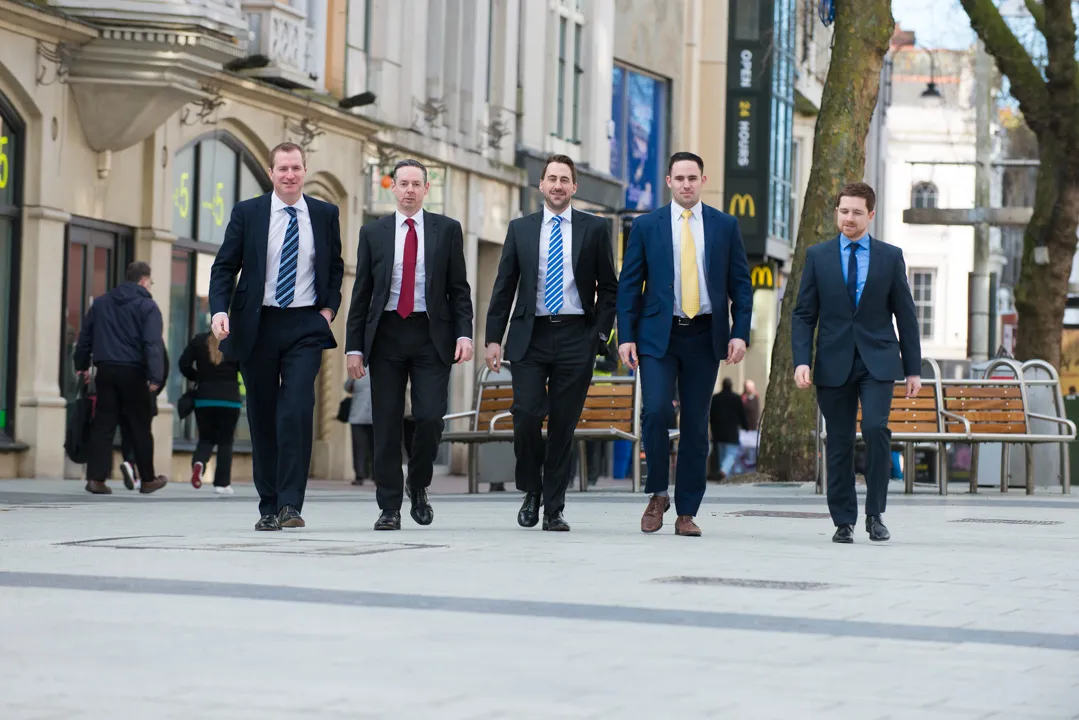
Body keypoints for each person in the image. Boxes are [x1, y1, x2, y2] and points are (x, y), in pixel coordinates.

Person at [209, 141, 344, 531]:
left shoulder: (324, 214)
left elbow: (334, 266)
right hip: (258, 325)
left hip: (305, 325)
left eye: (296, 168)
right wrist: (220, 310)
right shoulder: (248, 213)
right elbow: (223, 268)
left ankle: (290, 505)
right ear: (271, 173)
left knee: (297, 411)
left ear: (305, 172)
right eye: (282, 168)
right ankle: (268, 506)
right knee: (263, 416)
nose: (289, 175)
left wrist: (328, 310)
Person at [616, 151, 753, 537]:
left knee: (695, 424)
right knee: (656, 412)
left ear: (702, 180)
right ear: (669, 182)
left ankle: (687, 512)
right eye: (679, 178)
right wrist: (626, 336)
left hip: (705, 336)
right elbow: (629, 285)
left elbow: (742, 285)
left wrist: (740, 330)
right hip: (659, 335)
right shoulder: (647, 226)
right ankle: (658, 494)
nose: (686, 184)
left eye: (693, 178)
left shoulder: (725, 226)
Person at [484, 154, 618, 531]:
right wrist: (493, 338)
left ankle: (553, 508)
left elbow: (610, 287)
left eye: (565, 179)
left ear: (574, 187)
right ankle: (531, 489)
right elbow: (504, 285)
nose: (558, 185)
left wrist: (599, 335)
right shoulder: (520, 229)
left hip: (577, 335)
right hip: (530, 335)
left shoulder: (595, 229)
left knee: (563, 425)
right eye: (551, 179)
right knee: (526, 414)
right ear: (541, 185)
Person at [345, 159, 474, 531]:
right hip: (386, 335)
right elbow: (362, 292)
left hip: (431, 336)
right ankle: (389, 506)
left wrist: (464, 334)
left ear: (427, 189)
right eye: (403, 183)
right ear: (393, 188)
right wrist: (355, 346)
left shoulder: (447, 230)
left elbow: (459, 290)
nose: (409, 190)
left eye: (416, 184)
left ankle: (417, 483)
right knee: (384, 422)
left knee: (430, 417)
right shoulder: (373, 233)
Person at [791, 181, 922, 544]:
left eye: (857, 212)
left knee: (877, 429)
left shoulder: (889, 256)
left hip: (878, 360)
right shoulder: (818, 256)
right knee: (840, 440)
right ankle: (843, 520)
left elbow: (906, 315)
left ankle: (875, 514)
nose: (849, 218)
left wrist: (913, 368)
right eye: (844, 211)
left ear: (871, 215)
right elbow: (803, 314)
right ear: (837, 212)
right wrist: (802, 360)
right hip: (833, 361)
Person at [74, 261, 169, 495]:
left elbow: (85, 337)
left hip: (105, 370)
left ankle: (96, 479)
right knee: (139, 424)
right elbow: (152, 344)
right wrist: (156, 377)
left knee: (104, 425)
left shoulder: (101, 303)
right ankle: (147, 479)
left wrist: (81, 365)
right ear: (144, 280)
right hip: (133, 372)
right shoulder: (147, 306)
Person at [179, 330, 242, 494]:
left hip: (204, 397)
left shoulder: (199, 341)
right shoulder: (236, 342)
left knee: (206, 438)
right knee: (225, 442)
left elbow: (183, 364)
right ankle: (222, 484)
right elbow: (246, 368)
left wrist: (199, 377)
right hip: (230, 398)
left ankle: (199, 463)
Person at [119, 342, 168, 491]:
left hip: (121, 390)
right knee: (142, 433)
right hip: (145, 391)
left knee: (127, 432)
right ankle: (142, 473)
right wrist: (155, 387)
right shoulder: (152, 338)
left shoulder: (124, 336)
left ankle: (129, 463)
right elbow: (163, 366)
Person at [709, 377, 747, 480]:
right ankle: (724, 471)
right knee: (731, 453)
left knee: (722, 455)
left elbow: (711, 416)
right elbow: (741, 414)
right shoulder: (736, 398)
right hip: (731, 432)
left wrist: (712, 431)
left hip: (718, 432)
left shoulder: (715, 398)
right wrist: (745, 426)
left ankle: (723, 474)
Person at [344, 372, 373, 485]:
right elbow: (347, 386)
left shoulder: (357, 369)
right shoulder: (358, 369)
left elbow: (347, 387)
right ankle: (364, 475)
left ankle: (365, 475)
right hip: (362, 416)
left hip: (366, 415)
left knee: (364, 448)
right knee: (364, 447)